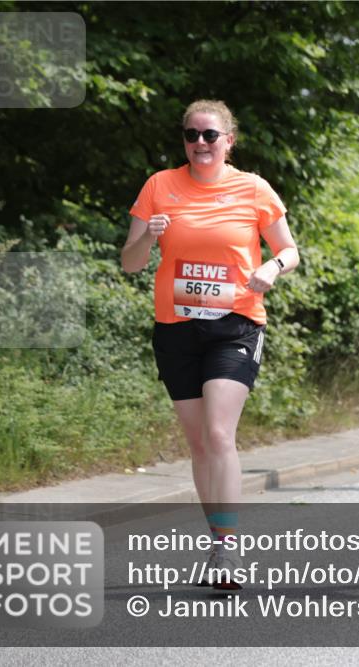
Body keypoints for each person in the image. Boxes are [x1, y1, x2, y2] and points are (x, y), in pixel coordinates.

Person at [121, 100, 299, 588]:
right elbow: (131, 263)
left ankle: (228, 546)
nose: (200, 143)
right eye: (191, 135)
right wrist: (148, 238)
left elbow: (289, 249)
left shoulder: (253, 188)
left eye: (209, 135)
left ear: (229, 141)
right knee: (199, 441)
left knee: (220, 433)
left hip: (235, 323)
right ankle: (217, 537)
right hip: (176, 327)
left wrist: (271, 267)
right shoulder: (160, 186)